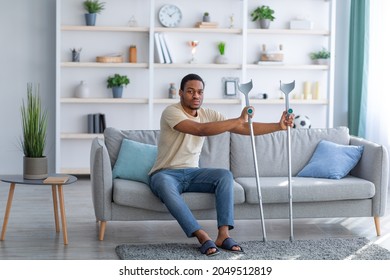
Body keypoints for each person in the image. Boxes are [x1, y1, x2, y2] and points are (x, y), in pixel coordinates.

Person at [149, 73, 294, 256]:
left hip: (193, 173)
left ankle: (223, 236)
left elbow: (242, 127)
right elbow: (200, 130)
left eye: (200, 92)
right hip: (165, 173)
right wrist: (238, 119)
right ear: (181, 93)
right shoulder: (171, 112)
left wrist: (278, 126)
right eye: (190, 91)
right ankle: (202, 236)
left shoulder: (208, 114)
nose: (196, 96)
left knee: (224, 175)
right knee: (162, 183)